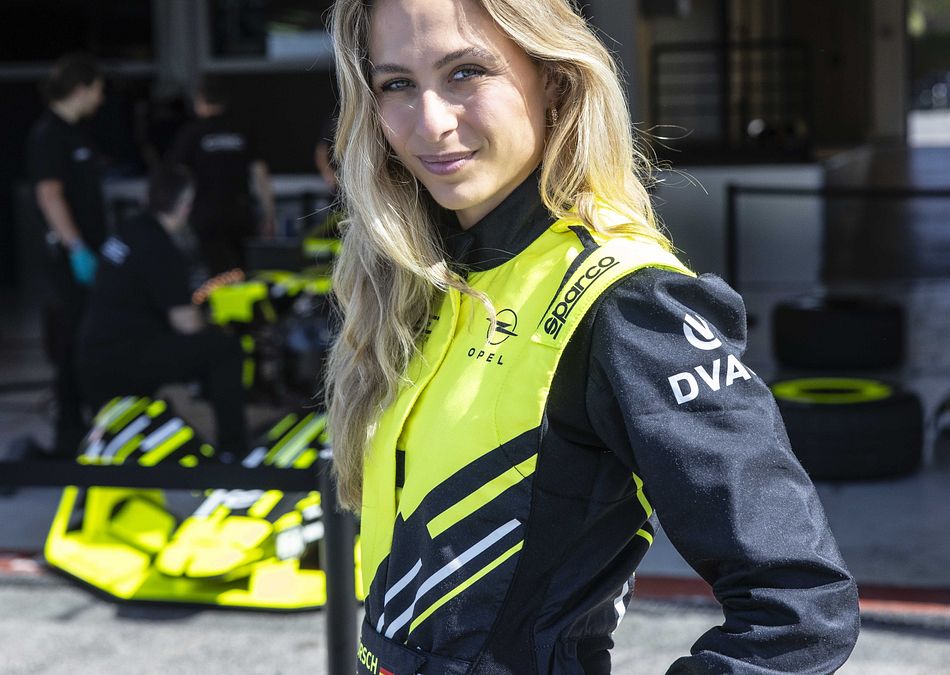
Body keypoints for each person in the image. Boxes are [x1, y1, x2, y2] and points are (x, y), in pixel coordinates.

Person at [323, 1, 861, 673]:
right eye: (397, 83)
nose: (431, 122)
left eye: (465, 72)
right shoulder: (418, 281)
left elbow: (800, 608)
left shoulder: (628, 300)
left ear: (554, 78)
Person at [77, 164, 250, 456]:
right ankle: (234, 453)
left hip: (92, 354)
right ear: (185, 206)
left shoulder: (127, 231)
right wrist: (216, 324)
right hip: (123, 360)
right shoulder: (160, 247)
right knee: (225, 350)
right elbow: (186, 323)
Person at [26, 52, 107, 455]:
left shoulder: (79, 134)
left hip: (90, 251)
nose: (100, 98)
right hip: (69, 259)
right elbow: (49, 194)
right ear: (80, 88)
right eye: (98, 89)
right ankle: (68, 434)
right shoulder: (49, 136)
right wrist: (76, 248)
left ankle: (90, 425)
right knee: (75, 342)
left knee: (88, 341)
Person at [167, 76, 275, 274]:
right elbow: (260, 173)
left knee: (218, 275)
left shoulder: (192, 133)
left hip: (206, 215)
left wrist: (175, 216)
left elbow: (179, 176)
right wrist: (269, 213)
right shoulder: (243, 129)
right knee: (243, 273)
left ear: (200, 101)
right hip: (240, 212)